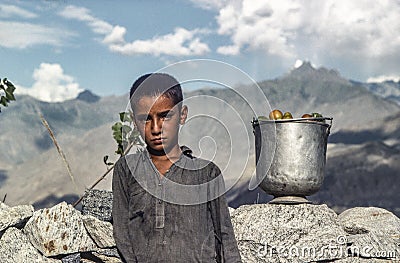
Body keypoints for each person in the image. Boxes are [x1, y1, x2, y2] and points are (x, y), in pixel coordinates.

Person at [112, 73, 242, 262]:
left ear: (182, 115)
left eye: (165, 116)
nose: (156, 128)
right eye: (145, 119)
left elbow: (225, 237)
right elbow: (122, 233)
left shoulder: (206, 173)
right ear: (134, 121)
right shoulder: (127, 169)